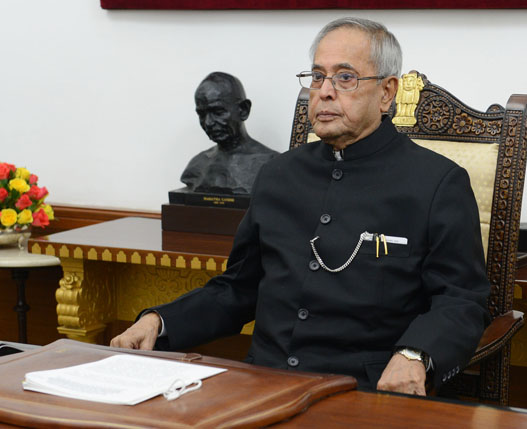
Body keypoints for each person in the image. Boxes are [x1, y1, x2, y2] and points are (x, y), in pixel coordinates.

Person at [112, 17, 490, 396]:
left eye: (345, 77)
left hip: (364, 393)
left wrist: (415, 354)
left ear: (387, 92)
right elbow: (236, 290)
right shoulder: (278, 175)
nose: (324, 91)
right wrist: (159, 321)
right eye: (316, 77)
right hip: (263, 385)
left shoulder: (437, 183)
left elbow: (461, 301)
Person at [180, 72, 278, 194]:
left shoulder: (272, 164)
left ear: (243, 110)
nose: (208, 122)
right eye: (202, 114)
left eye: (218, 112)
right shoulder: (197, 165)